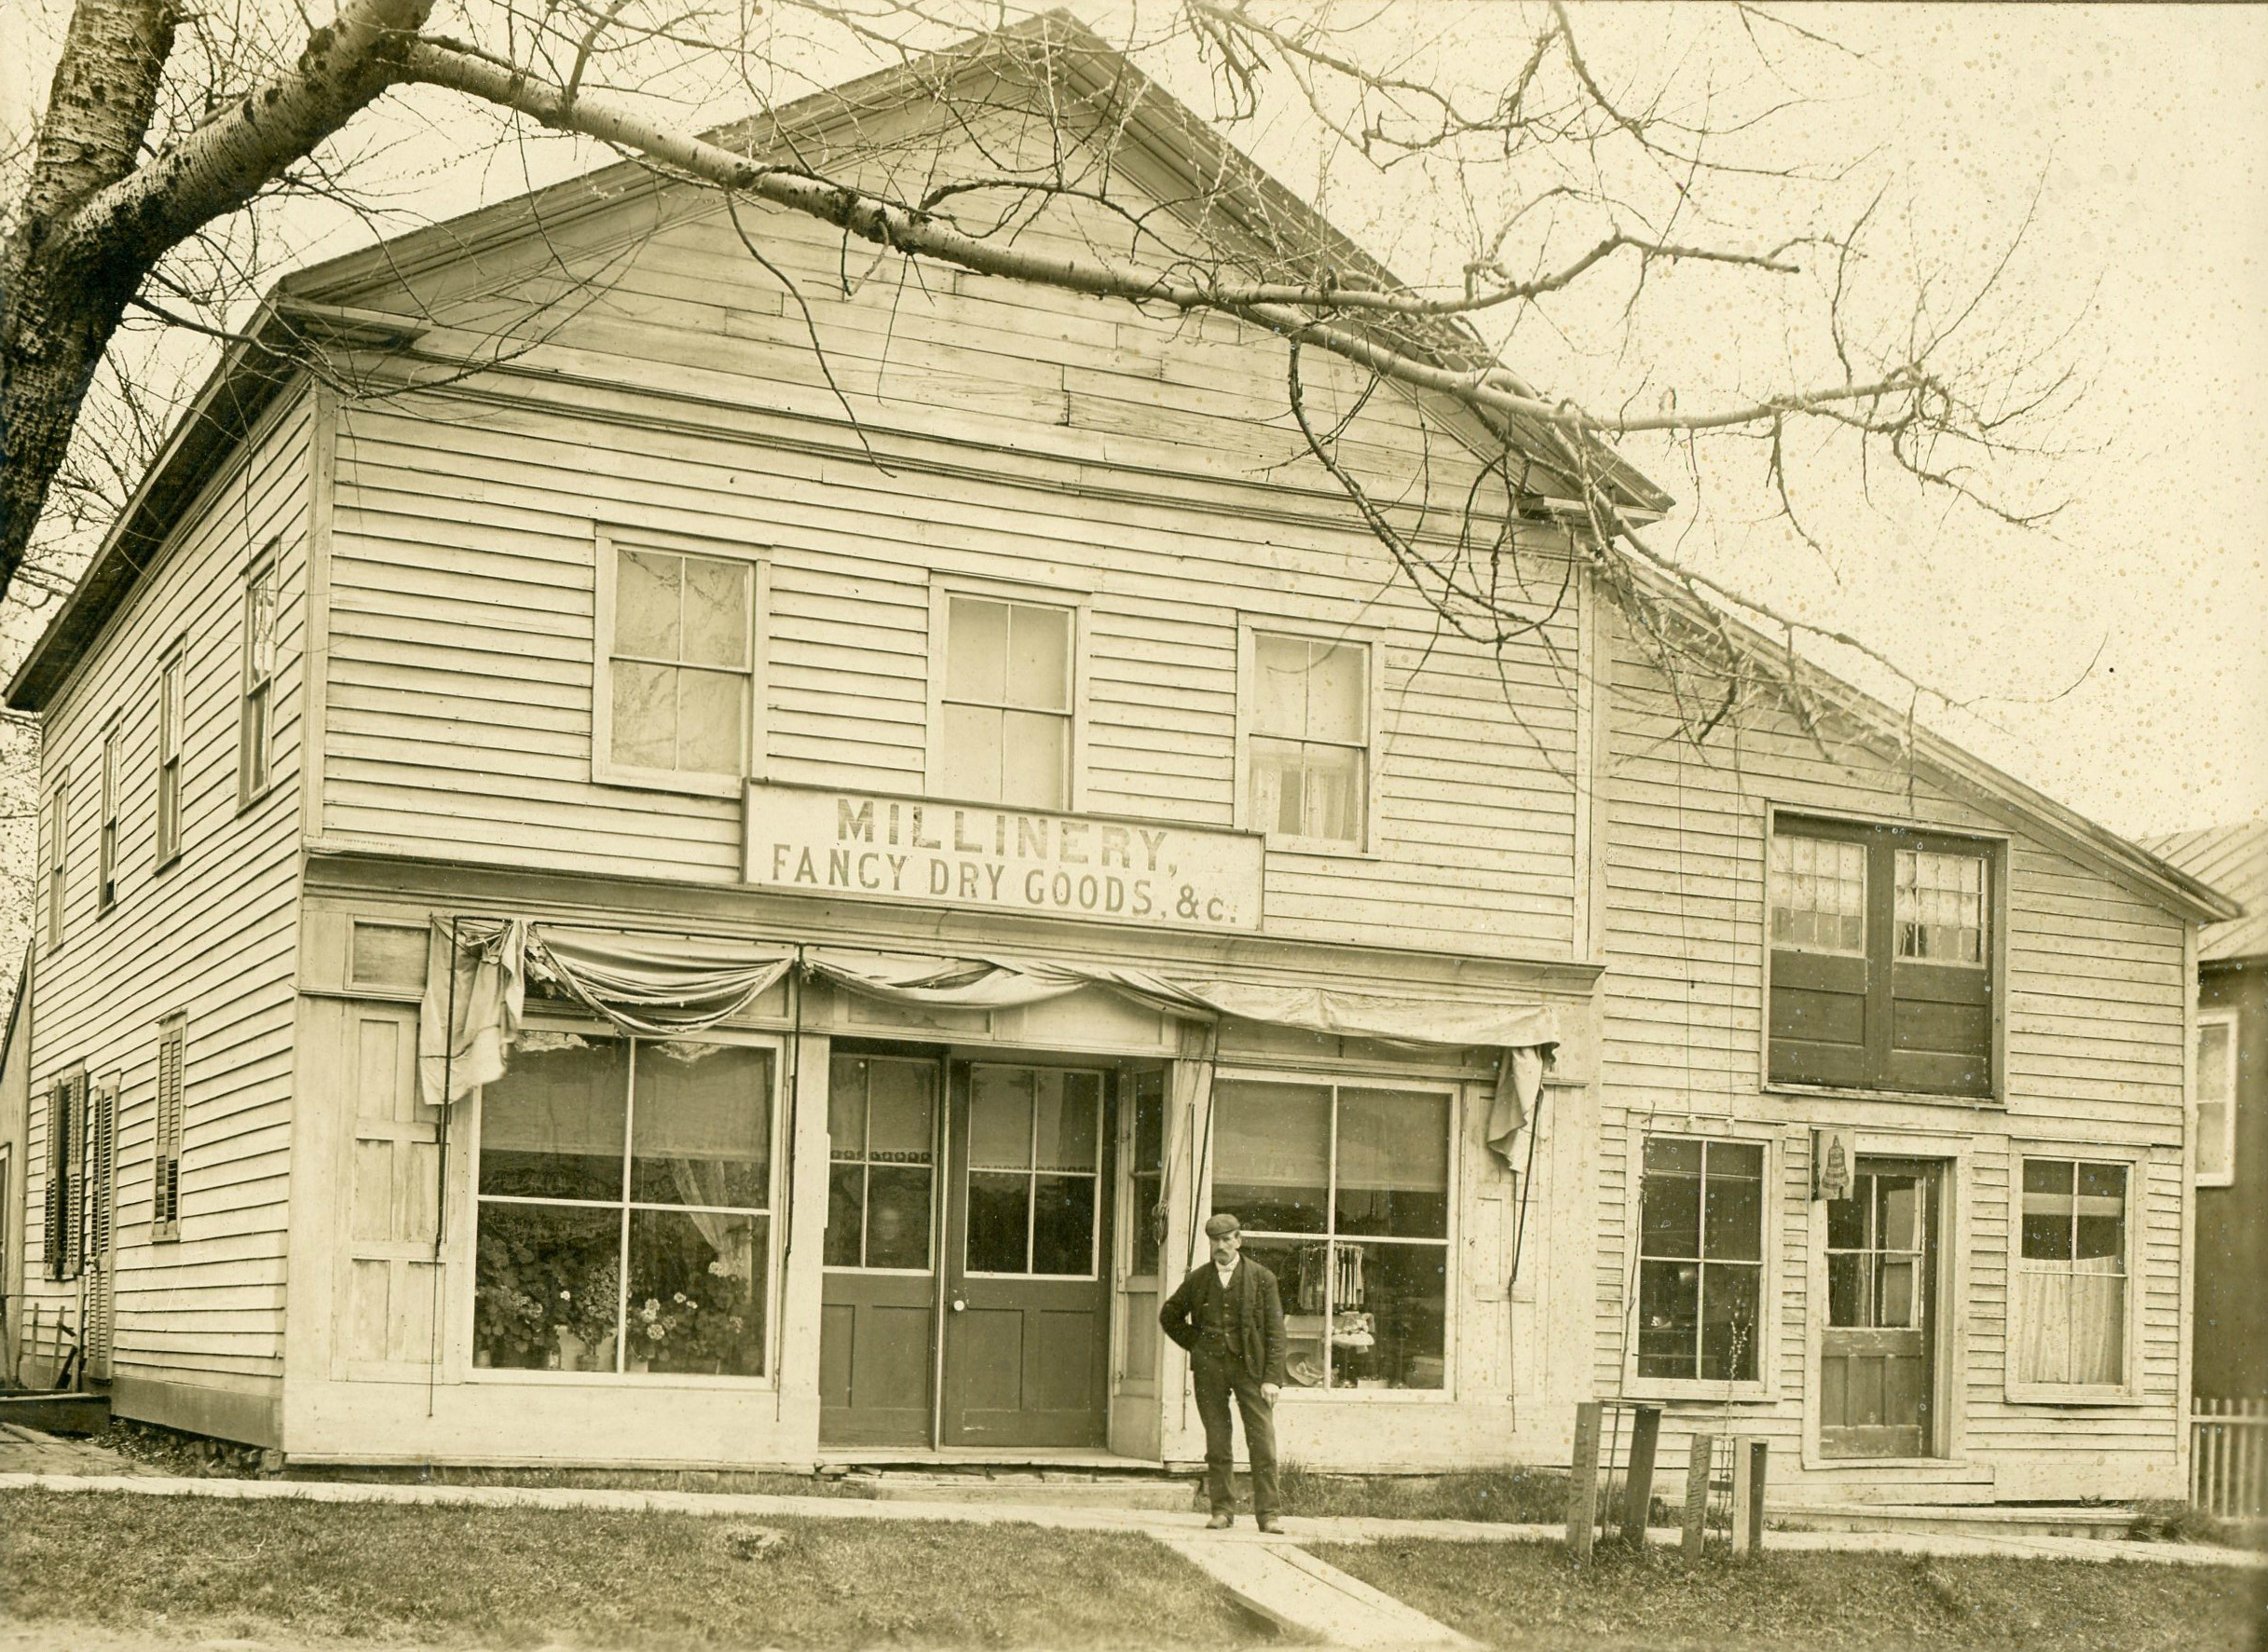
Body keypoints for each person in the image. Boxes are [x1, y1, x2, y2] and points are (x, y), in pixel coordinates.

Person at [1159, 1212, 1287, 1531]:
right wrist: (1196, 1344)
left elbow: (1276, 1331)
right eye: (1215, 1241)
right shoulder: (1199, 1279)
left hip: (1251, 1369)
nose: (1221, 1246)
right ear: (1210, 1244)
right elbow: (1169, 1315)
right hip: (1210, 1369)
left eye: (1227, 1239)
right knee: (1217, 1441)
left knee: (1262, 1441)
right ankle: (1222, 1511)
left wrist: (1273, 1378)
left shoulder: (1262, 1278)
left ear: (1239, 1241)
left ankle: (1268, 1515)